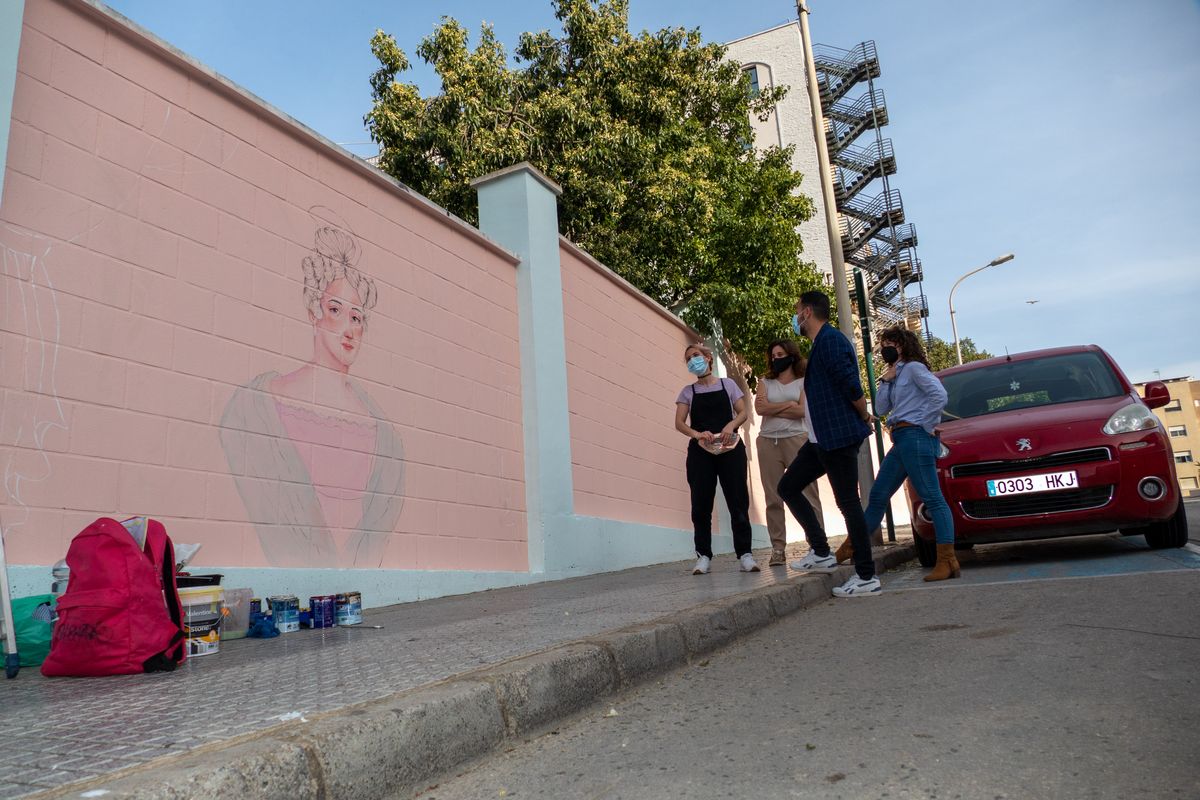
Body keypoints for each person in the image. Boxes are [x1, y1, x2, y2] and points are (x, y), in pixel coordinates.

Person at [219, 224, 404, 568]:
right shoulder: (257, 409)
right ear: (312, 312)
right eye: (335, 310)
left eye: (356, 317)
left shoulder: (384, 437)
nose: (349, 329)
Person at [777, 290, 878, 597]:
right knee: (788, 487)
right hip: (821, 439)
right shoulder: (820, 344)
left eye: (797, 311)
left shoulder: (831, 341)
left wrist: (864, 414)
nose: (795, 317)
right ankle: (821, 552)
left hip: (837, 437)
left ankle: (866, 576)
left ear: (807, 312)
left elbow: (850, 383)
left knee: (848, 503)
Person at [865, 326, 958, 581]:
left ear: (902, 345)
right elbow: (882, 407)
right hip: (901, 438)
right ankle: (855, 546)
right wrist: (886, 379)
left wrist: (924, 424)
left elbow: (939, 395)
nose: (884, 348)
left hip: (915, 436)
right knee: (879, 494)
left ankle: (947, 560)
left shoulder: (915, 368)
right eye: (882, 343)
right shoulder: (895, 373)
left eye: (889, 343)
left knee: (933, 498)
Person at [674, 343, 758, 575]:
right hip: (701, 453)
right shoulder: (687, 392)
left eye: (697, 355)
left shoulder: (728, 384)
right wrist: (697, 434)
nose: (693, 360)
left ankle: (745, 554)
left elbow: (742, 411)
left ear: (709, 358)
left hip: (731, 449)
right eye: (689, 358)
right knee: (700, 505)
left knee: (738, 501)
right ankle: (703, 556)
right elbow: (679, 422)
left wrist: (731, 424)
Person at [754, 340, 824, 566]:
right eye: (773, 355)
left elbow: (803, 411)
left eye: (780, 354)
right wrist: (788, 405)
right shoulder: (765, 382)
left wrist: (777, 408)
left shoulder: (804, 382)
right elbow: (760, 409)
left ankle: (817, 544)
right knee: (773, 496)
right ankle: (777, 548)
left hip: (797, 440)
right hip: (768, 442)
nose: (776, 358)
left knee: (807, 493)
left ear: (791, 355)